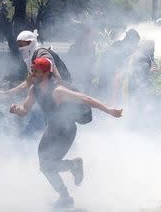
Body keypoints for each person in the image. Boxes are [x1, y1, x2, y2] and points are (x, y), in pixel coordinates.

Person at [9, 57, 122, 208]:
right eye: (32, 70)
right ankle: (65, 195)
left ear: (45, 72)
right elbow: (25, 109)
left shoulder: (58, 91)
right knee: (44, 166)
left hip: (66, 131)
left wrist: (109, 110)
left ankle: (73, 167)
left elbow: (86, 99)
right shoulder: (34, 89)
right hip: (52, 129)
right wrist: (17, 110)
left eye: (35, 70)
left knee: (48, 165)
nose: (32, 73)